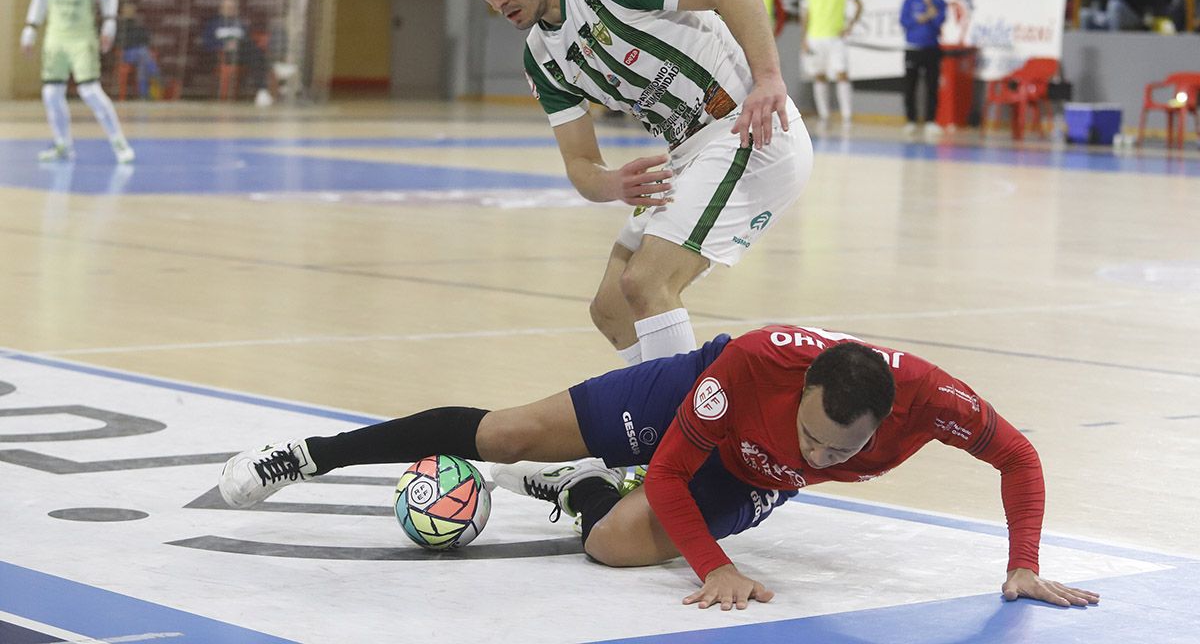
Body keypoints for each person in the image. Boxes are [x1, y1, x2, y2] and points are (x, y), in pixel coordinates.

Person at [218, 324, 1101, 612]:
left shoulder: (935, 401)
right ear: (802, 388)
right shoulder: (752, 368)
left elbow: (1018, 457)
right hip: (696, 396)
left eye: (845, 452)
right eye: (816, 437)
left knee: (613, 544)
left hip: (752, 472)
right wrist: (715, 568)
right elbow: (675, 473)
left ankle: (582, 492)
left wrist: (1022, 563)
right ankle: (310, 454)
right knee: (516, 433)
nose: (826, 459)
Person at [441, 0, 813, 365]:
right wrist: (611, 184)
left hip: (747, 130)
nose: (498, 2)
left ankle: (686, 430)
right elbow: (580, 164)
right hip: (690, 152)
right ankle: (676, 415)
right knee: (613, 310)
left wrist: (769, 79)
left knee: (647, 283)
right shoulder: (541, 58)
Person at [19, 0, 135, 164]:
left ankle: (119, 142)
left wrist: (109, 24)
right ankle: (62, 145)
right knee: (51, 93)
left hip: (82, 38)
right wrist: (30, 29)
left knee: (90, 90)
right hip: (55, 38)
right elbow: (39, 1)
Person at [799, 0, 862, 130]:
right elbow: (805, 13)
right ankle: (824, 115)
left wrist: (850, 25)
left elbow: (859, 3)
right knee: (819, 76)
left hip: (836, 38)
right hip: (815, 37)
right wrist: (803, 38)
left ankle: (847, 116)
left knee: (842, 74)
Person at [899, 0, 947, 139]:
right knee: (910, 86)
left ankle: (930, 121)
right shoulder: (910, 0)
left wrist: (931, 11)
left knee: (931, 86)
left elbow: (939, 23)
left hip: (932, 48)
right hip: (913, 47)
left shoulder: (939, 2)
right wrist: (921, 18)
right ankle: (911, 120)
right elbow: (905, 22)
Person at [201, 0, 273, 108]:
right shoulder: (213, 24)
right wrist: (224, 45)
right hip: (225, 56)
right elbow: (207, 44)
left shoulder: (239, 23)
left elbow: (247, 39)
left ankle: (262, 91)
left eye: (232, 8)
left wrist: (239, 43)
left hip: (242, 53)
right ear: (221, 8)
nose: (230, 10)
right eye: (227, 7)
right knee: (255, 53)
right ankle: (263, 90)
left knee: (255, 53)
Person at [114, 2, 161, 100]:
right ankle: (155, 74)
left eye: (131, 10)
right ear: (123, 12)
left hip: (139, 53)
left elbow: (146, 39)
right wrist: (133, 42)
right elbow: (119, 42)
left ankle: (143, 95)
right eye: (127, 10)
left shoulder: (137, 24)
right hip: (126, 54)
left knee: (142, 64)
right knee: (143, 53)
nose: (130, 12)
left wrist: (136, 41)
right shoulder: (119, 25)